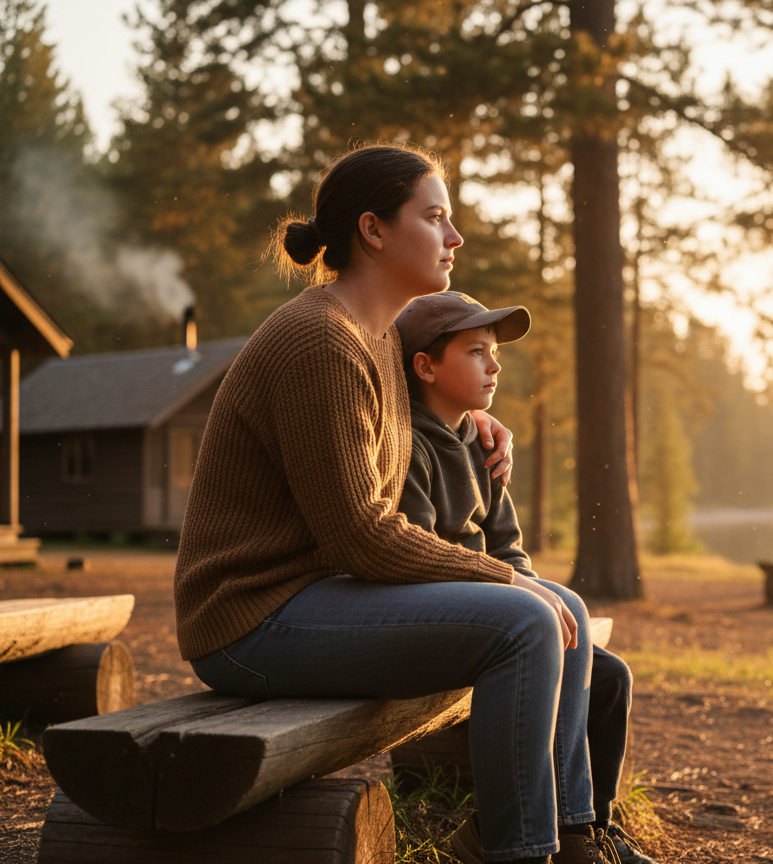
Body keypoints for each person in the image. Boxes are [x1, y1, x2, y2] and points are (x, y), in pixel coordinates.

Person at [173, 143, 618, 864]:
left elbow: (392, 423)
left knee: (548, 604)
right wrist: (509, 577)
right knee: (527, 621)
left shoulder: (373, 338)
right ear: (374, 231)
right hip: (250, 621)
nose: (455, 237)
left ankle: (568, 839)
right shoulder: (320, 341)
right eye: (435, 217)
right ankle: (518, 851)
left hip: (314, 600)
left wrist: (474, 423)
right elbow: (362, 537)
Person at [393, 291, 659, 864]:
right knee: (560, 620)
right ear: (426, 366)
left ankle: (589, 827)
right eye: (476, 352)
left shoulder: (483, 444)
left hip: (497, 615)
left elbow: (509, 551)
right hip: (449, 621)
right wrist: (524, 598)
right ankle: (563, 839)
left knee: (608, 678)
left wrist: (532, 590)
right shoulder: (406, 447)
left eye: (494, 352)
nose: (494, 365)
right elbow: (416, 563)